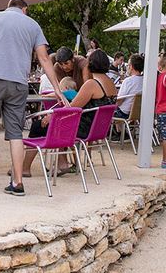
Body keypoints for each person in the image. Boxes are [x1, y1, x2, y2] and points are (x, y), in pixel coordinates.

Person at [0, 0, 65, 196]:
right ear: (25, 9)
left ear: (8, 7)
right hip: (18, 83)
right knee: (15, 133)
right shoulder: (32, 25)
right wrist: (57, 87)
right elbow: (44, 58)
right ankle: (18, 182)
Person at [20, 50, 118, 178]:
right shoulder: (111, 84)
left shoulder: (91, 84)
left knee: (37, 126)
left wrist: (51, 116)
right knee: (63, 125)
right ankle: (62, 163)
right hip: (97, 129)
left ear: (90, 64)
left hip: (83, 129)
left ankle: (25, 169)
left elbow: (71, 109)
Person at [115, 54, 145, 119]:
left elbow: (119, 102)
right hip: (138, 113)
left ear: (131, 67)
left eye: (128, 65)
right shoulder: (144, 81)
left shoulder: (128, 81)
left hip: (124, 113)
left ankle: (119, 129)